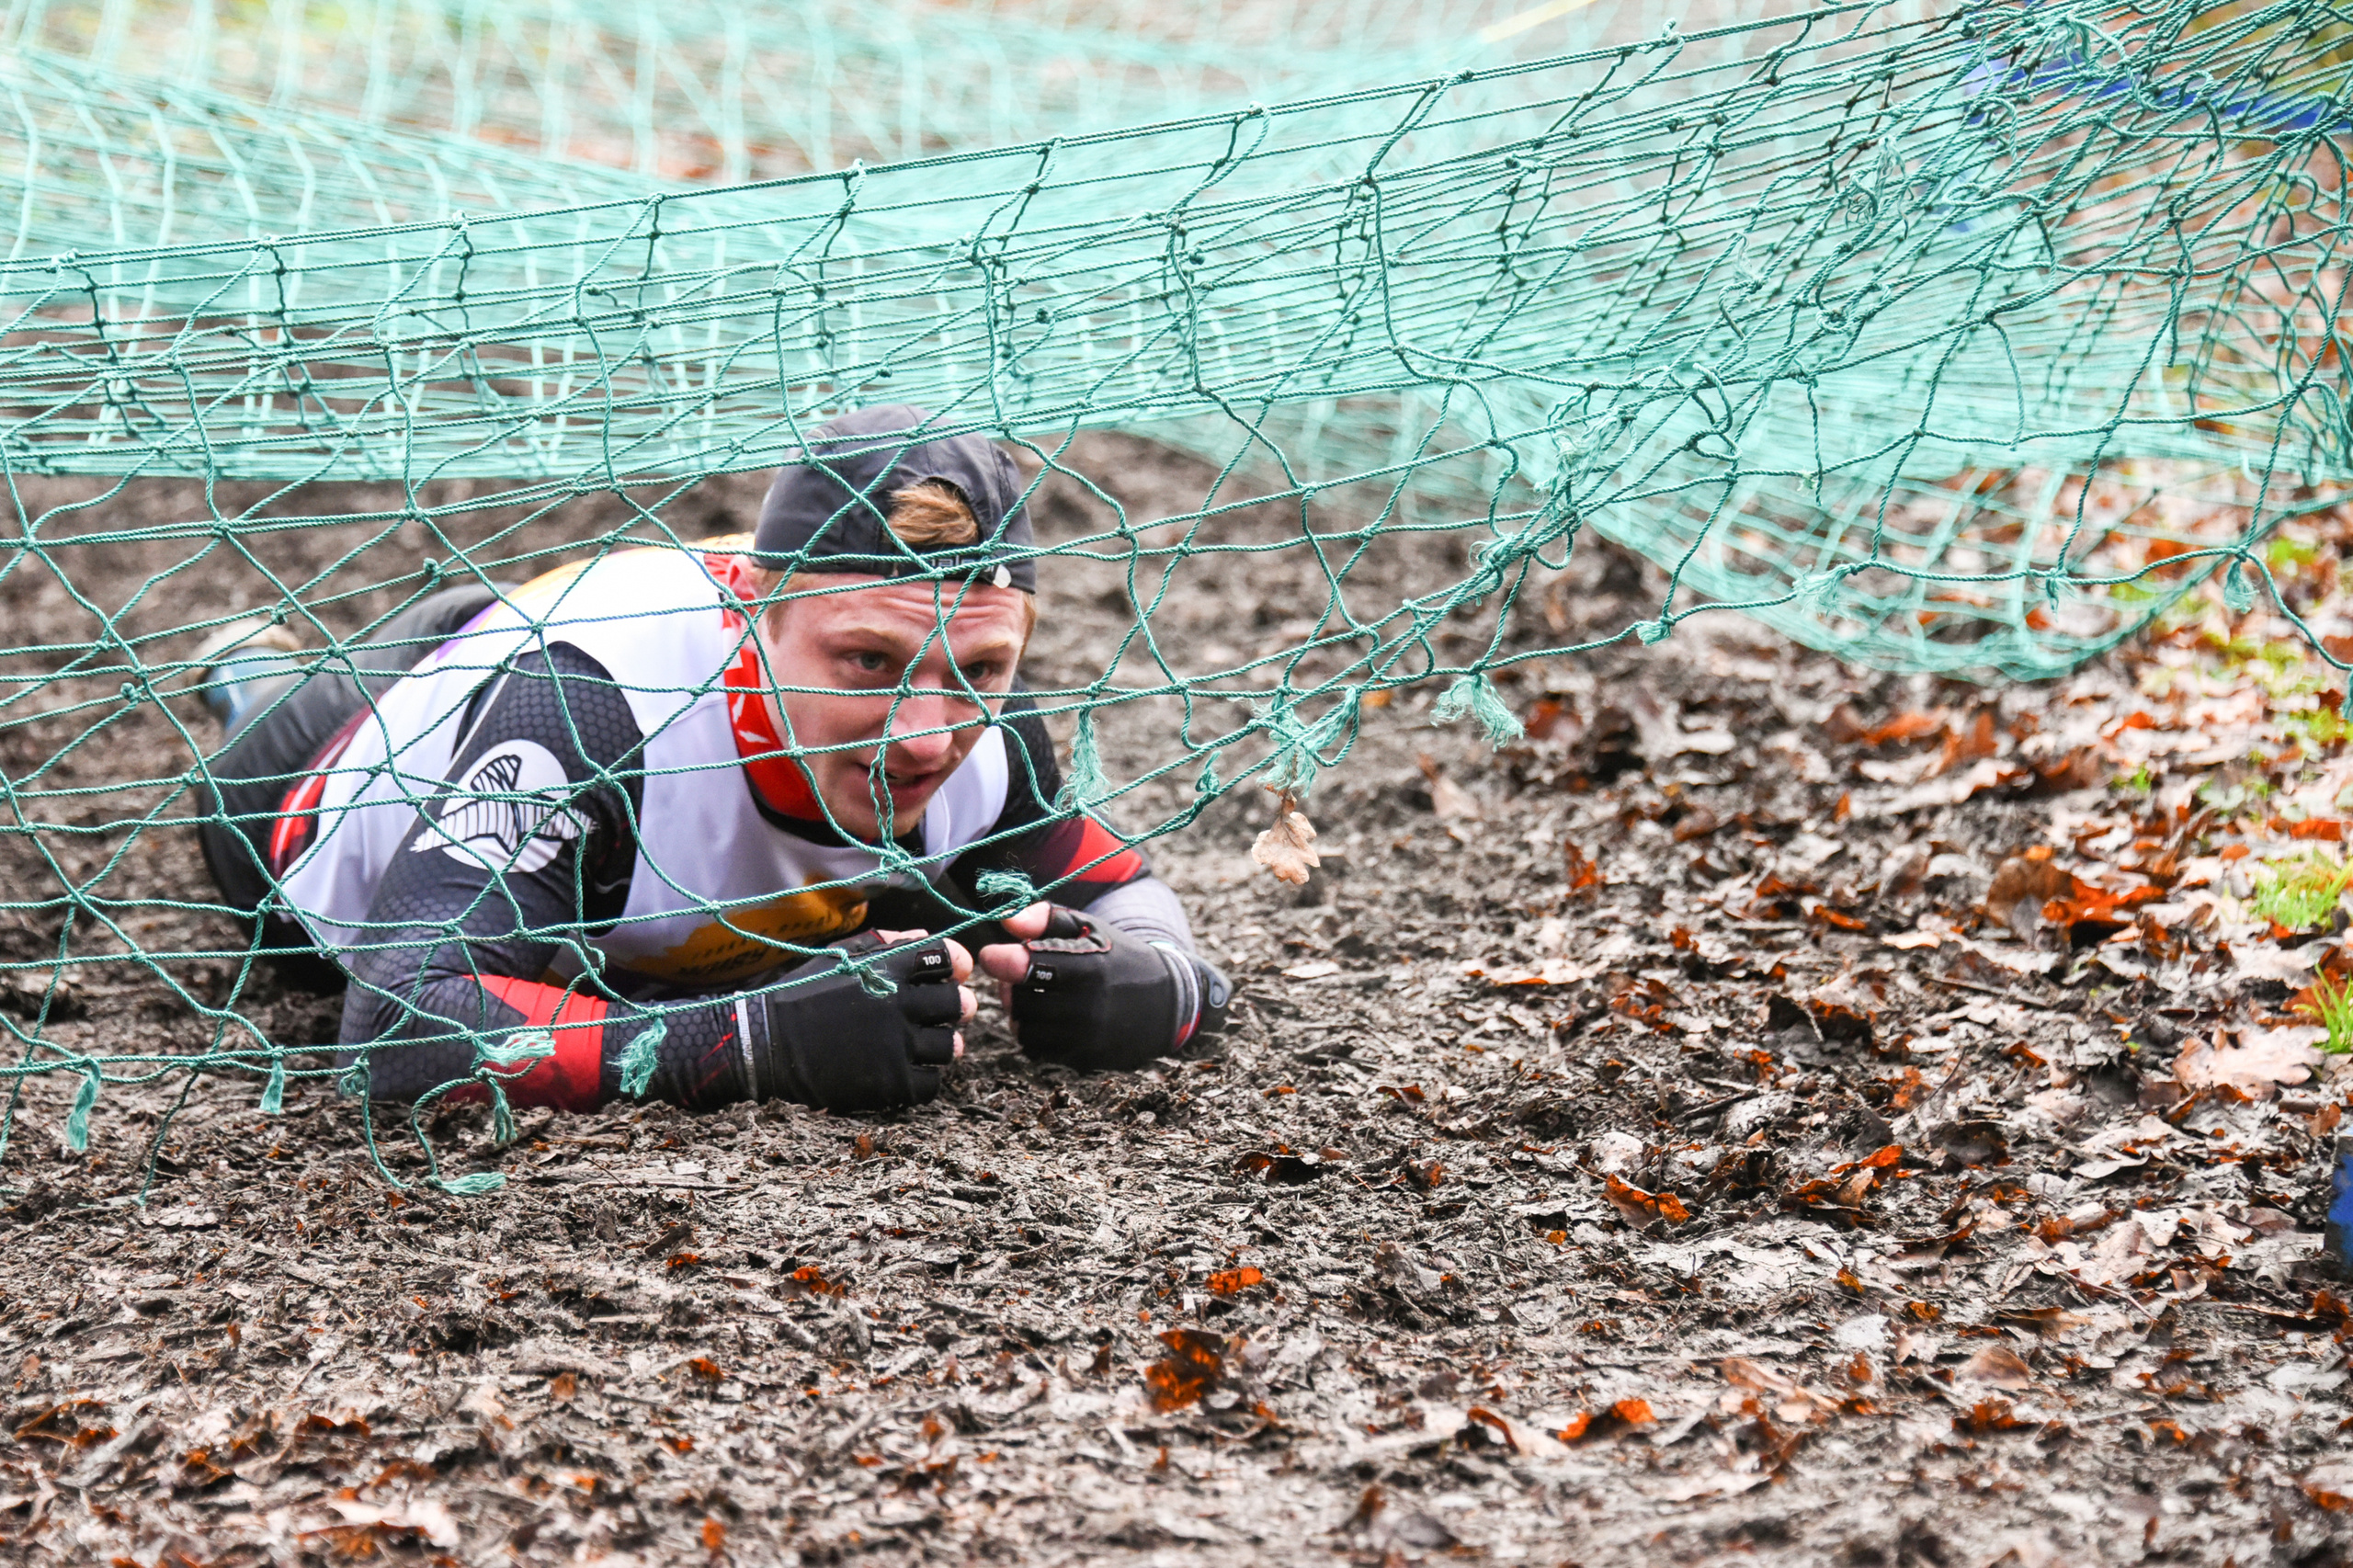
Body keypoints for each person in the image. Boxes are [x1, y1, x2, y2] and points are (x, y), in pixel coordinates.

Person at [194, 405, 1230, 1114]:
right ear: (750, 613)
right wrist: (753, 1040)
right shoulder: (587, 714)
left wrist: (1164, 982)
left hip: (551, 697)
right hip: (308, 784)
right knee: (284, 718)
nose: (928, 734)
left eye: (979, 666)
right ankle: (253, 671)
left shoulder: (981, 723)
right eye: (867, 660)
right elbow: (397, 1024)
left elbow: (1129, 890)